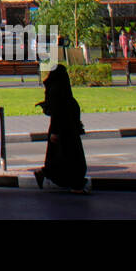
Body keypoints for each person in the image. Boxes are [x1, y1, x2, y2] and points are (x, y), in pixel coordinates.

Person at [33, 65, 88, 193]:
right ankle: (76, 185)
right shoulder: (59, 90)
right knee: (73, 159)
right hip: (64, 130)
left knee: (59, 160)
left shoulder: (54, 89)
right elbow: (59, 112)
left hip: (63, 129)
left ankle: (43, 173)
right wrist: (56, 132)